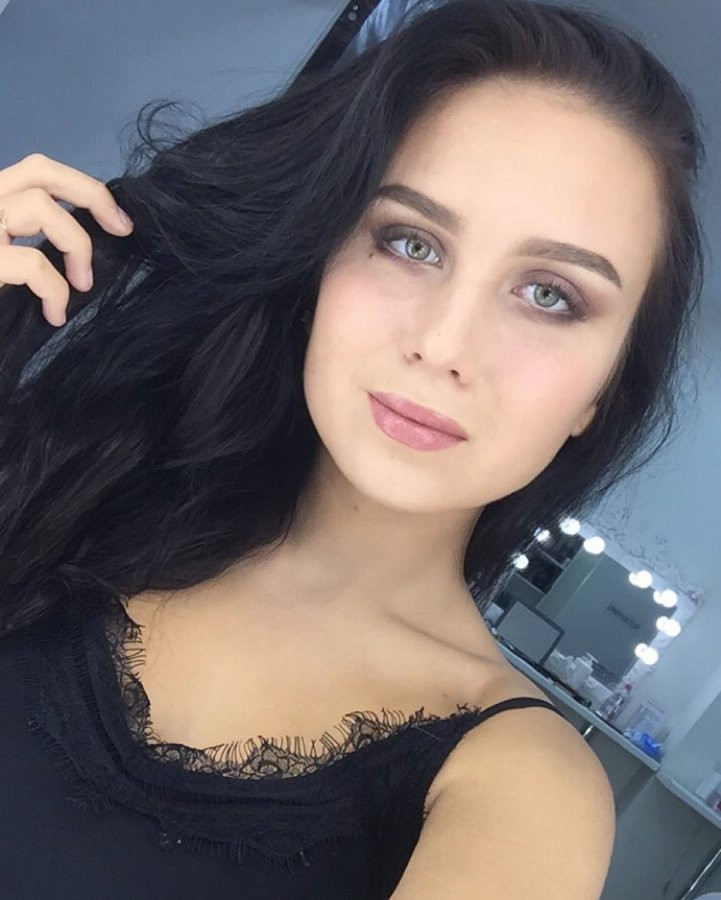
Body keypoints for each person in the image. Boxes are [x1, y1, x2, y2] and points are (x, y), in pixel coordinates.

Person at [0, 0, 706, 897]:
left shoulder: (517, 787)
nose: (442, 345)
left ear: (601, 394)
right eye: (410, 243)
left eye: (549, 296)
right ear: (322, 257)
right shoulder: (73, 479)